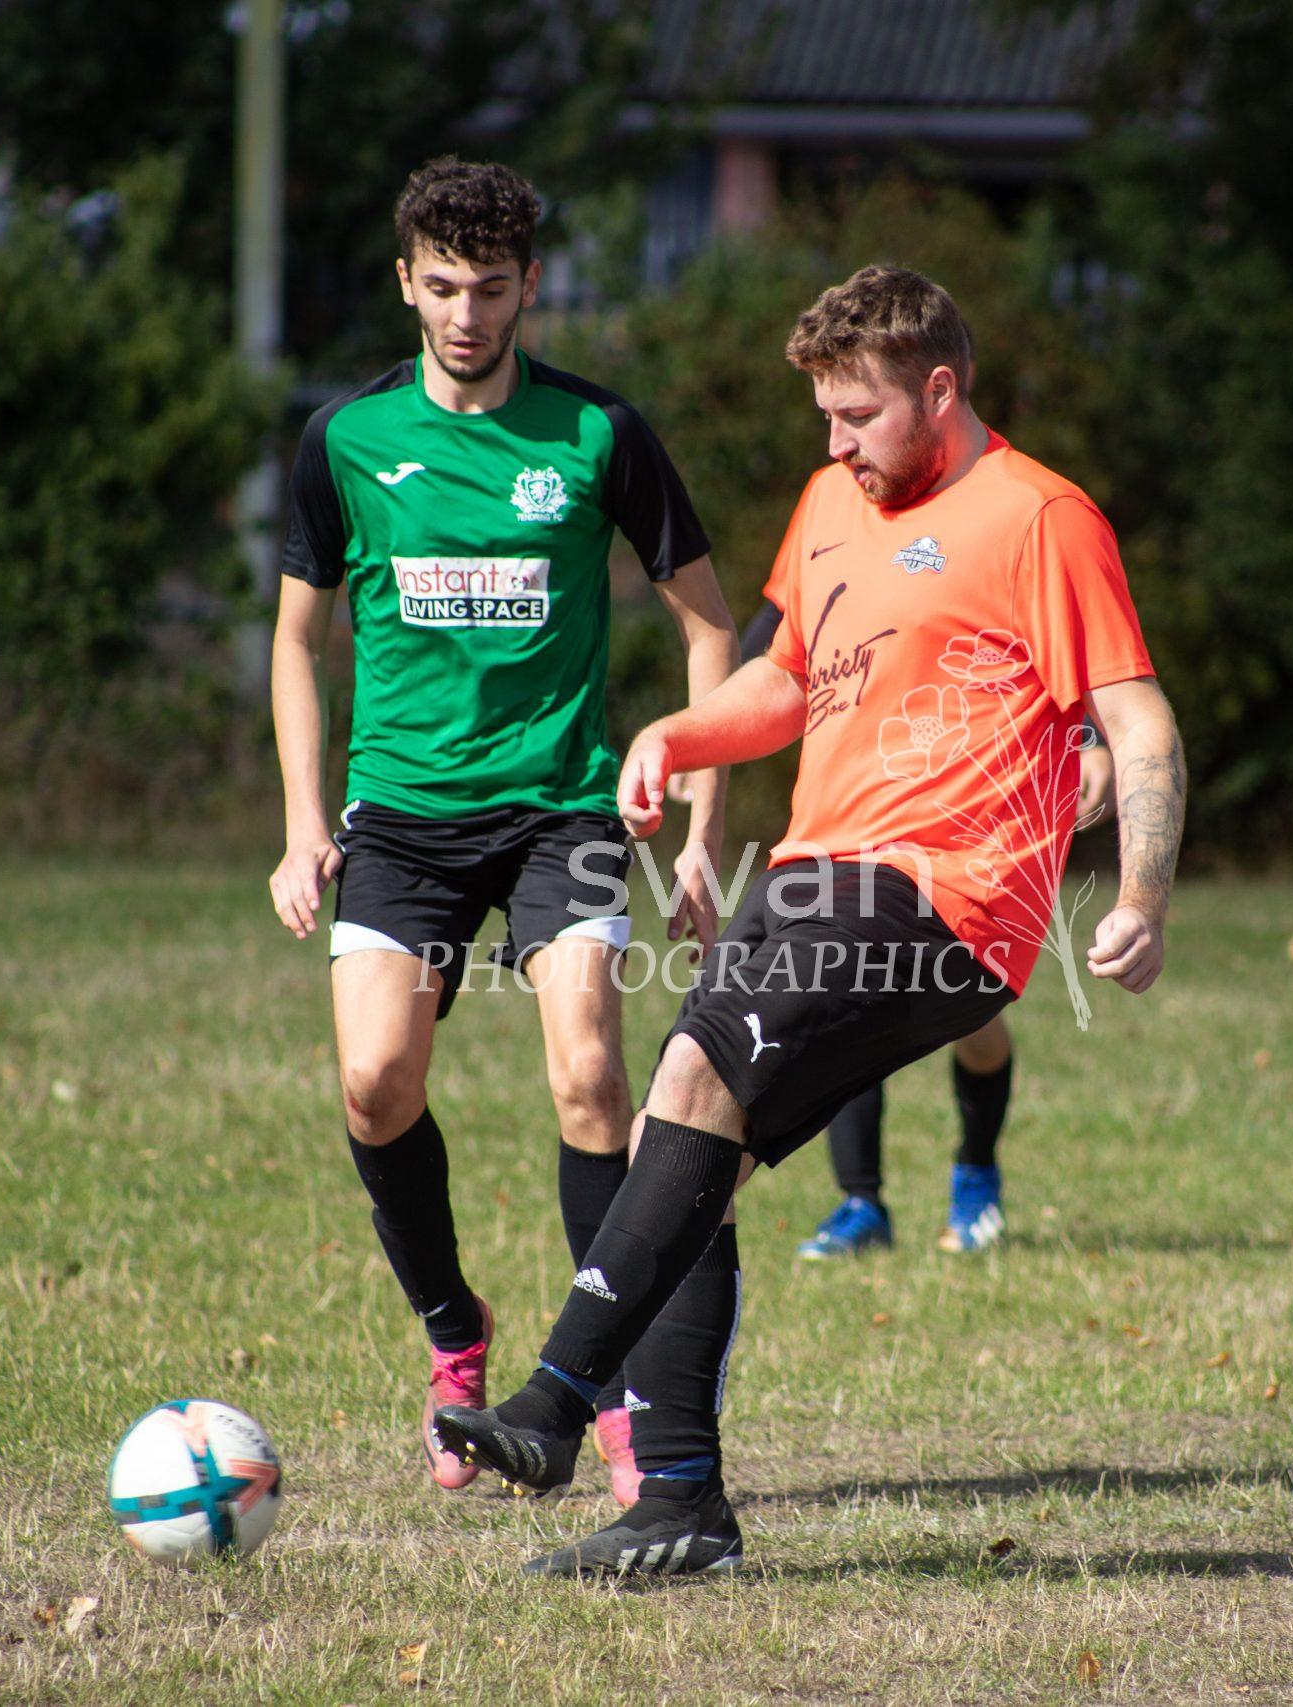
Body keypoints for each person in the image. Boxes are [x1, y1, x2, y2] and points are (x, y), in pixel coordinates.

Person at [433, 263, 1187, 1576]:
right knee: (688, 1153)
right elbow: (785, 677)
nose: (835, 443)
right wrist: (676, 732)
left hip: (945, 894)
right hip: (813, 872)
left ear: (937, 390)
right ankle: (680, 1505)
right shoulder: (833, 500)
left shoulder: (1040, 517)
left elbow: (1140, 723)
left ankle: (554, 1406)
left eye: (859, 414)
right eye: (824, 416)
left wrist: (1141, 896)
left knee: (690, 1074)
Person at [266, 158, 737, 1496]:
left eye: (489, 288)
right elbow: (296, 640)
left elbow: (711, 628)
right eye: (441, 287)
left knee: (591, 1075)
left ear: (531, 285)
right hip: (403, 817)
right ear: (404, 283)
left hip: (562, 806)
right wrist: (303, 825)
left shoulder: (599, 435)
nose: (465, 314)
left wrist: (703, 825)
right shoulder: (345, 440)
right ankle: (452, 1329)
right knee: (375, 1081)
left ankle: (611, 1388)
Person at [733, 600, 1116, 1261]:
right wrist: (705, 734)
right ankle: (862, 1202)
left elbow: (1046, 654)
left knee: (975, 1028)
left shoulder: (998, 555)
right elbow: (765, 653)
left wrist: (1090, 741)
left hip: (973, 827)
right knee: (845, 1006)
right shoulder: (833, 551)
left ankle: (976, 1169)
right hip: (859, 818)